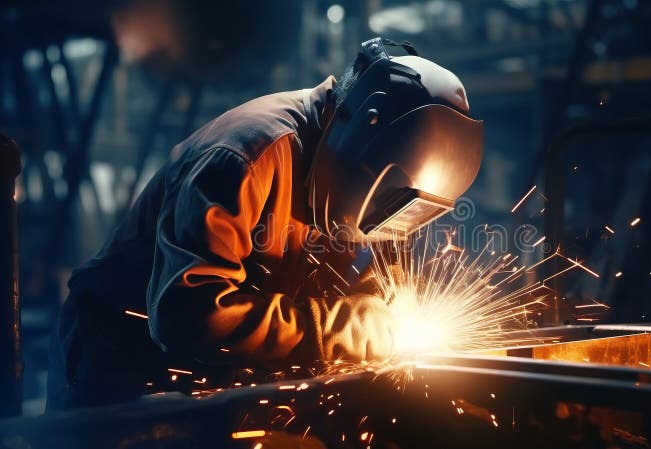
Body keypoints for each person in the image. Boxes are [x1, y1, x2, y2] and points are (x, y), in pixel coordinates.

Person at [47, 38, 483, 410]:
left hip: (212, 371)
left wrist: (384, 313)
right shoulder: (244, 155)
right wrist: (339, 330)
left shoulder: (377, 172)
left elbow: (375, 287)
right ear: (364, 131)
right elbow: (187, 314)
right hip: (118, 358)